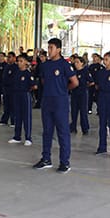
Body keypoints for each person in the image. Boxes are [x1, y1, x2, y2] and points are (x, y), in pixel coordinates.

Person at [33, 38, 78, 173]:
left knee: (62, 132)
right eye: (48, 47)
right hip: (47, 101)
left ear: (58, 49)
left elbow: (75, 82)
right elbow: (43, 80)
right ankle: (46, 158)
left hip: (60, 102)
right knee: (47, 131)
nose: (49, 50)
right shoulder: (45, 65)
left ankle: (65, 162)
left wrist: (63, 90)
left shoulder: (65, 65)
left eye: (51, 47)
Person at [8, 54, 36, 145]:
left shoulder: (28, 73)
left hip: (25, 95)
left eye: (21, 61)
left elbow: (34, 86)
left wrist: (27, 90)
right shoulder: (16, 73)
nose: (19, 63)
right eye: (18, 61)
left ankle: (28, 138)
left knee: (26, 116)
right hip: (16, 95)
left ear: (26, 62)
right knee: (17, 116)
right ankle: (17, 136)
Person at [70, 56, 92, 135]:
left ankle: (85, 128)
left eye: (77, 62)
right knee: (74, 111)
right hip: (74, 93)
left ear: (82, 63)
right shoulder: (74, 72)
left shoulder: (85, 71)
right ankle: (73, 127)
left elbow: (91, 82)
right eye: (75, 62)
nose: (76, 64)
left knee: (83, 112)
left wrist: (85, 86)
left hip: (83, 94)